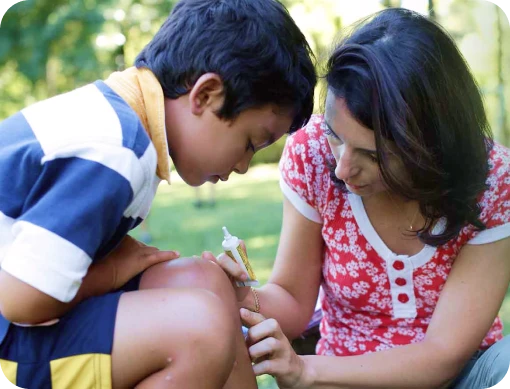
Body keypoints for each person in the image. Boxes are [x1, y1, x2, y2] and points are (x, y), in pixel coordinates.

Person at [0, 0, 316, 387]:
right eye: (251, 143)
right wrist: (115, 269)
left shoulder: (120, 122)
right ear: (205, 95)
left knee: (206, 281)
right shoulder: (114, 150)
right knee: (198, 328)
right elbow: (21, 300)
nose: (243, 166)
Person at [206, 8, 510, 389]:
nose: (342, 169)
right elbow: (292, 301)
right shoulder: (313, 154)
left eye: (372, 155)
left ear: (431, 146)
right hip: (345, 378)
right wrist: (237, 295)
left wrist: (307, 371)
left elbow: (443, 354)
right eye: (336, 134)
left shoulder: (492, 178)